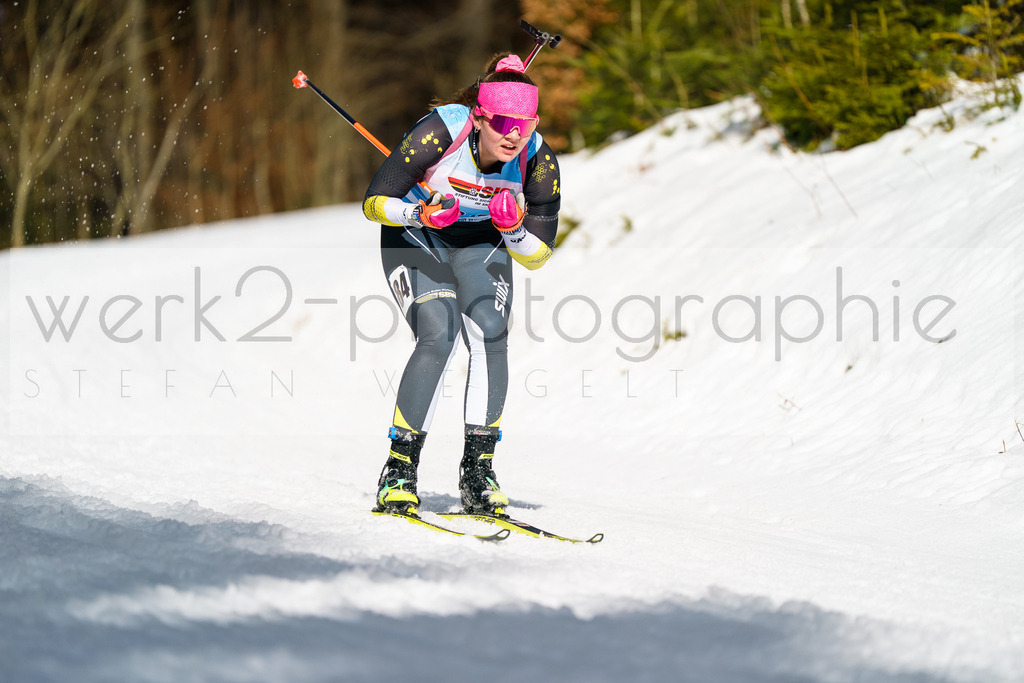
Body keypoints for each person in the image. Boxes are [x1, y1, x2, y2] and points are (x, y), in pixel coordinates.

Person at [362, 52, 561, 517]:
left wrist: (513, 231)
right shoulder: (441, 132)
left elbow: (539, 255)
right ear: (479, 117)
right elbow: (374, 202)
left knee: (490, 329)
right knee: (440, 331)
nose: (514, 134)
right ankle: (399, 470)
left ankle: (478, 472)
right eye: (504, 122)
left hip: (480, 242)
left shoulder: (537, 160)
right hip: (416, 234)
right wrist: (419, 212)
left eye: (526, 123)